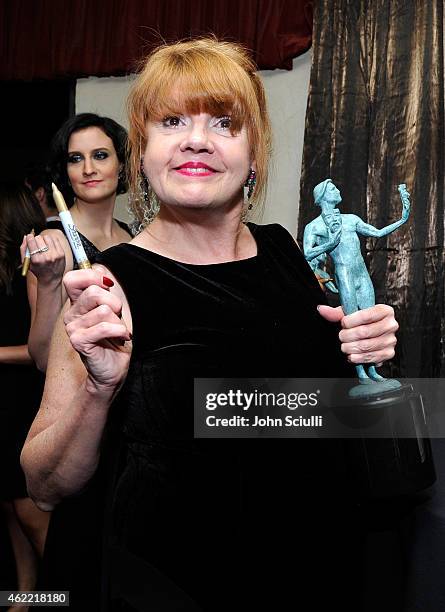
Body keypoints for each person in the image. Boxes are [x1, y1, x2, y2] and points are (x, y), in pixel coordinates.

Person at [21, 38, 399, 611]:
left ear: (255, 156)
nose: (197, 138)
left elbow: (319, 418)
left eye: (224, 122)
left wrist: (365, 354)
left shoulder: (284, 252)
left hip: (314, 567)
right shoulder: (108, 285)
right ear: (144, 153)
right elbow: (44, 488)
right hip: (174, 584)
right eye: (172, 120)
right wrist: (99, 390)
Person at [22, 113, 133, 372]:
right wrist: (49, 283)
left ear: (122, 164)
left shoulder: (132, 236)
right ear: (66, 170)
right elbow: (43, 357)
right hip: (82, 391)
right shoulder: (54, 241)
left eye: (101, 155)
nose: (88, 169)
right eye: (76, 159)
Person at [304, 178, 409, 382]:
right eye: (333, 188)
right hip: (345, 275)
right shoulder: (314, 226)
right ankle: (360, 372)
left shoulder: (351, 219)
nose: (338, 189)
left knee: (368, 321)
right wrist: (330, 244)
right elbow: (308, 253)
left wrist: (402, 220)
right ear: (324, 195)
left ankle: (372, 370)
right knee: (354, 325)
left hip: (362, 274)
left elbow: (377, 233)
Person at [0, 183, 49, 610]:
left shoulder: (33, 265)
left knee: (29, 509)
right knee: (9, 508)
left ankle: (74, 587)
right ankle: (25, 594)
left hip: (23, 401)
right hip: (3, 402)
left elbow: (40, 351)